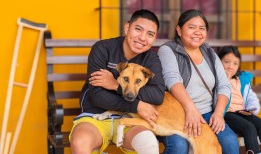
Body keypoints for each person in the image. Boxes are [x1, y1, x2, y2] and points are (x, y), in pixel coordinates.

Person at [69, 9, 166, 154]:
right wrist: (138, 105)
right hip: (97, 117)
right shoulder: (103, 49)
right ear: (127, 28)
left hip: (131, 120)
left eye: (150, 34)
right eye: (138, 30)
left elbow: (157, 95)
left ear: (154, 39)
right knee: (80, 142)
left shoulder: (151, 59)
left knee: (149, 144)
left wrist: (116, 85)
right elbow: (97, 96)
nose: (142, 38)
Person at [157, 9, 239, 154]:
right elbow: (172, 80)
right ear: (179, 30)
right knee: (179, 147)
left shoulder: (210, 53)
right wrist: (191, 109)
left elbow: (224, 85)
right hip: (176, 113)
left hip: (208, 113)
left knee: (230, 142)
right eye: (191, 27)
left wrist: (219, 114)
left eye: (202, 28)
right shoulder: (167, 50)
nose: (197, 32)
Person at [217, 45, 261, 154]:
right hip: (226, 113)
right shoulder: (215, 79)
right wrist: (225, 80)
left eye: (235, 63)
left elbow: (251, 97)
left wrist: (252, 108)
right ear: (218, 62)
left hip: (241, 112)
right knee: (249, 127)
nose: (230, 67)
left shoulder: (240, 80)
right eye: (226, 62)